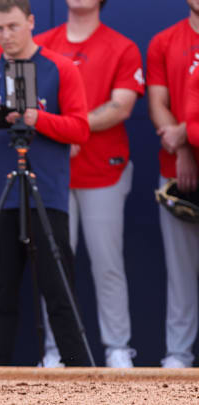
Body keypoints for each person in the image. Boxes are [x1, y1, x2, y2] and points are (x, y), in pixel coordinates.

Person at [0, 0, 91, 366]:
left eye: (13, 26)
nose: (6, 36)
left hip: (45, 193)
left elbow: (80, 128)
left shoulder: (59, 68)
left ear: (31, 22)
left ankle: (80, 374)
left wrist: (37, 117)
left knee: (58, 289)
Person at [34, 0, 144, 368]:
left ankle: (117, 348)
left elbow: (121, 106)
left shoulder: (122, 46)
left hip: (103, 171)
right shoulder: (42, 43)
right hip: (54, 172)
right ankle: (56, 350)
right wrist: (66, 131)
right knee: (53, 265)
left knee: (107, 263)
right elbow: (31, 102)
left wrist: (75, 127)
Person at [147, 0, 199, 368]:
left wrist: (188, 136)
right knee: (181, 272)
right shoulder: (165, 40)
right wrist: (183, 148)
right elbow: (158, 103)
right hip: (179, 172)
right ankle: (179, 355)